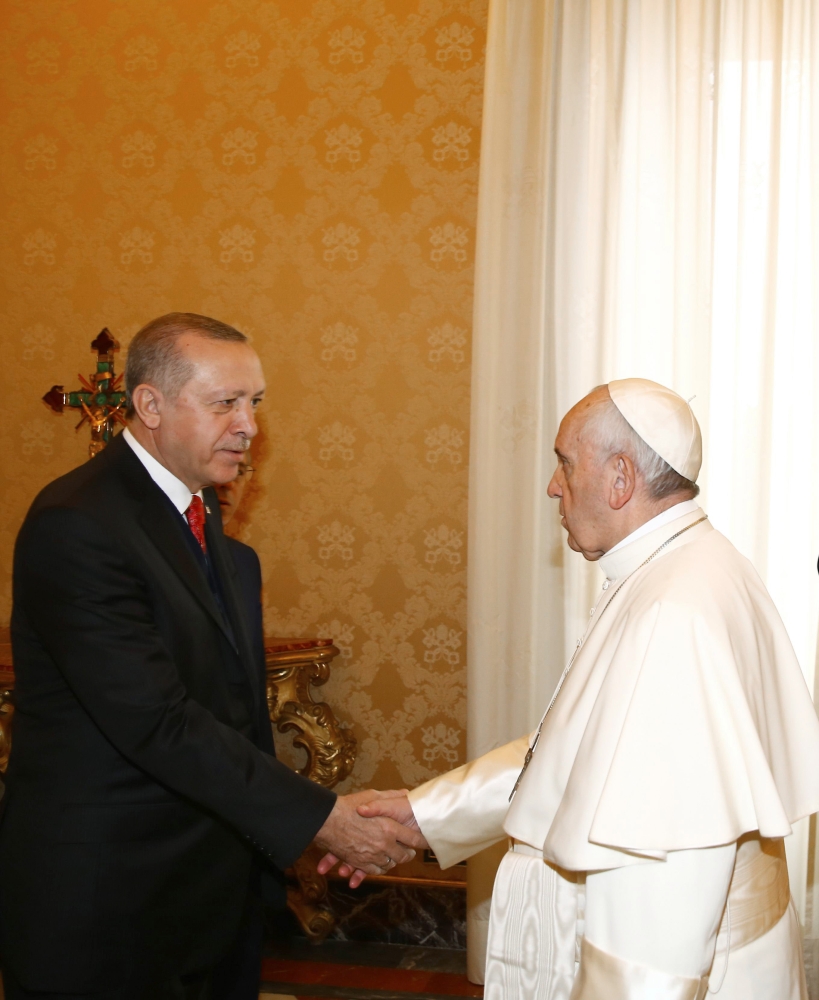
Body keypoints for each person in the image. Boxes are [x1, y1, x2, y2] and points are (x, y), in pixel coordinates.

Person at [326, 379, 819, 999]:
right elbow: (579, 755)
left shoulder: (674, 611)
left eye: (565, 463)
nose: (554, 486)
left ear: (620, 477)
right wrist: (426, 814)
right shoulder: (685, 567)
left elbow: (656, 931)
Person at [1, 313, 422, 999]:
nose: (249, 425)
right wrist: (323, 819)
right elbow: (157, 722)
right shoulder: (77, 524)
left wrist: (301, 827)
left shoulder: (207, 521)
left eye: (253, 403)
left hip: (210, 896)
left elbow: (230, 716)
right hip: (106, 905)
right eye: (224, 402)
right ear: (150, 405)